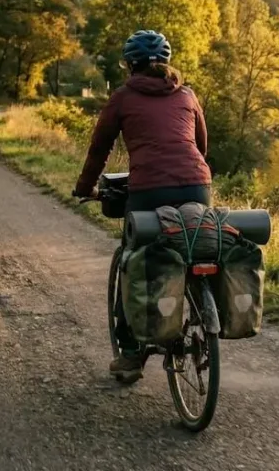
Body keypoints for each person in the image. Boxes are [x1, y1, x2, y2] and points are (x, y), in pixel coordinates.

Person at [73, 29, 212, 383]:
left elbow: (99, 148)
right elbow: (201, 144)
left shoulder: (122, 97)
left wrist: (85, 187)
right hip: (197, 184)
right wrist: (191, 178)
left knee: (134, 260)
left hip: (149, 190)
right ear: (166, 61)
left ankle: (132, 355)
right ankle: (196, 312)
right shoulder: (187, 94)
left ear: (130, 64)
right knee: (192, 250)